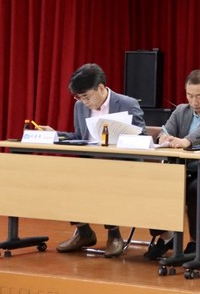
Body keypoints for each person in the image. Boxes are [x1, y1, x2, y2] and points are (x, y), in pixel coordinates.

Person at [45, 63, 145, 258]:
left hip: (122, 165)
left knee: (104, 179)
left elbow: (142, 137)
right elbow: (79, 136)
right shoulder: (80, 107)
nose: (84, 102)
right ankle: (83, 232)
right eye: (79, 98)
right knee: (63, 179)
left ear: (101, 88)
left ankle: (114, 235)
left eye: (86, 97)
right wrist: (55, 135)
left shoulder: (127, 103)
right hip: (89, 164)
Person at [143, 68, 200, 259]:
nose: (194, 102)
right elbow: (165, 131)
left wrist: (187, 141)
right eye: (190, 95)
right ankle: (166, 237)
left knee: (196, 188)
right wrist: (164, 138)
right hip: (181, 171)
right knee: (154, 184)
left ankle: (196, 243)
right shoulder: (181, 110)